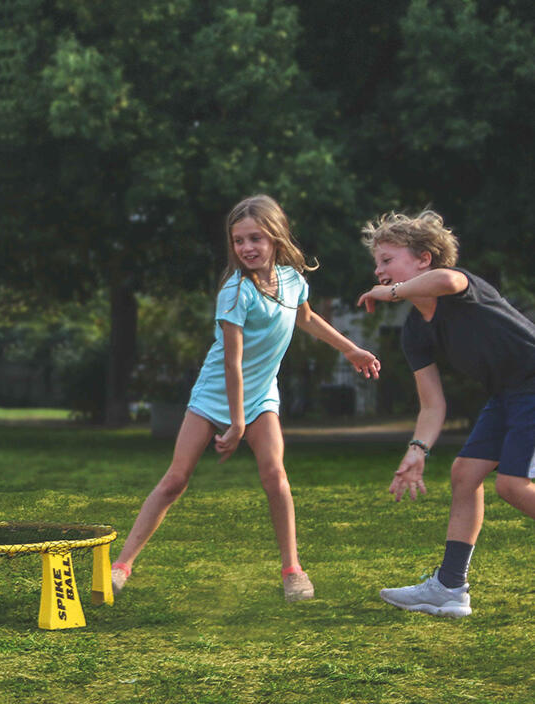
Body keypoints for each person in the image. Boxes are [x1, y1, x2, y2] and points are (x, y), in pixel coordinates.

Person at [111, 195, 381, 602]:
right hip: (215, 393)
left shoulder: (292, 280)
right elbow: (231, 364)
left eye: (255, 238)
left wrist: (350, 349)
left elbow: (305, 318)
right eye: (239, 241)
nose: (247, 248)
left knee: (275, 476)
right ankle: (121, 566)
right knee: (175, 480)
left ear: (275, 237)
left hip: (260, 396)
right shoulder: (235, 293)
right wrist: (235, 424)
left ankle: (293, 571)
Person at [357, 210, 535, 618]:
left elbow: (447, 278)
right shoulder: (415, 331)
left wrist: (390, 292)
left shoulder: (459, 286)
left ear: (423, 258)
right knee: (464, 474)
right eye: (377, 263)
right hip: (507, 395)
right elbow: (433, 403)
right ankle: (450, 588)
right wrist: (417, 450)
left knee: (512, 485)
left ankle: (449, 587)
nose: (379, 271)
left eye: (387, 260)